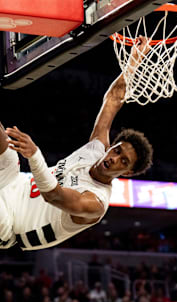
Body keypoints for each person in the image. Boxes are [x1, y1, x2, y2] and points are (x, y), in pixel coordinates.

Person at [0, 36, 153, 250]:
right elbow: (113, 100)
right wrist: (134, 62)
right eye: (117, 151)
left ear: (126, 172)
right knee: (2, 141)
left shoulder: (96, 203)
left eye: (123, 161)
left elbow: (54, 196)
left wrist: (35, 156)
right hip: (12, 183)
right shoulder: (96, 149)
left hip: (10, 224)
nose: (114, 158)